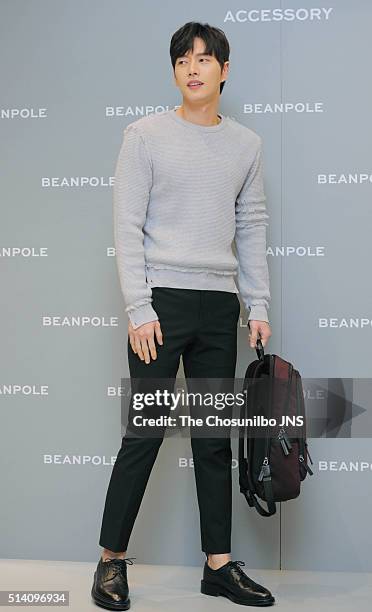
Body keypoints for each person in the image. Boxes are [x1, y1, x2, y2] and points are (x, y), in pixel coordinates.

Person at [91, 21, 274, 610]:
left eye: (203, 58)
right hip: (160, 307)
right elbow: (127, 225)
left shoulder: (246, 144)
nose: (193, 68)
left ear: (225, 69)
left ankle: (217, 565)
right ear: (175, 72)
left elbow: (251, 227)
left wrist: (258, 304)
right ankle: (110, 563)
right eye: (182, 60)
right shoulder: (144, 135)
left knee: (214, 439)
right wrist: (139, 308)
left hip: (219, 308)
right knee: (143, 434)